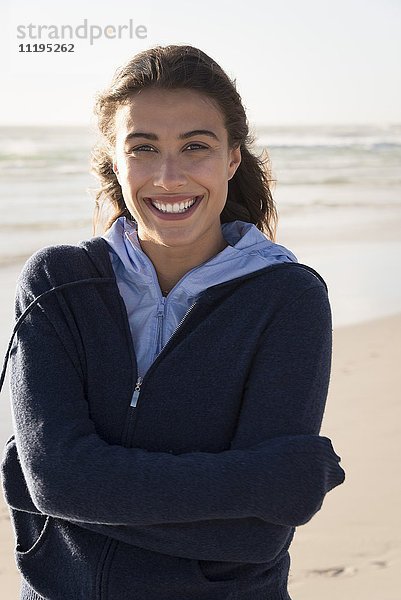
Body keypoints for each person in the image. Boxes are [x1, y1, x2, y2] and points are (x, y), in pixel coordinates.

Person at [0, 45, 345, 600]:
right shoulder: (57, 285)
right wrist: (266, 481)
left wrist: (66, 484)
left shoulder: (287, 298)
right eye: (143, 148)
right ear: (115, 159)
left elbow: (256, 536)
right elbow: (57, 482)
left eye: (195, 147)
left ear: (233, 158)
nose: (168, 176)